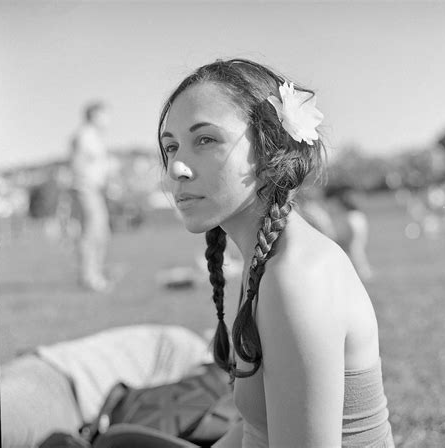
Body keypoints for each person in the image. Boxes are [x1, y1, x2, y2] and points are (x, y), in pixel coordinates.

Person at [158, 59, 394, 447]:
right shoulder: (262, 263)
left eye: (206, 140)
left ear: (269, 151)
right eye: (171, 146)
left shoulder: (297, 278)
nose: (177, 168)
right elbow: (256, 430)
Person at [69, 101, 112, 292]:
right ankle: (89, 277)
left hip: (94, 190)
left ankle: (95, 274)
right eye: (104, 114)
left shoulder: (94, 136)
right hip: (86, 189)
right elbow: (77, 162)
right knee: (92, 233)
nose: (108, 119)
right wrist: (84, 185)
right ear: (94, 115)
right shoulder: (85, 135)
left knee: (101, 233)